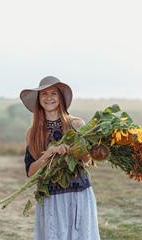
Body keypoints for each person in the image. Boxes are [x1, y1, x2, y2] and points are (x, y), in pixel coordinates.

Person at [20, 76, 100, 240]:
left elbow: (87, 161)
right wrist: (48, 153)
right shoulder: (32, 132)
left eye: (54, 93)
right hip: (51, 198)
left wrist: (76, 151)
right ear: (39, 99)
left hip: (79, 194)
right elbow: (30, 172)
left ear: (60, 98)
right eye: (44, 94)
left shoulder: (76, 124)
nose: (49, 98)